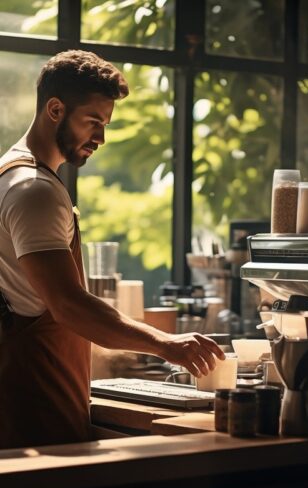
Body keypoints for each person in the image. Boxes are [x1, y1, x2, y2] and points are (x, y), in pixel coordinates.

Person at [0, 50, 224, 449]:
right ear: (55, 109)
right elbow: (69, 306)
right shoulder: (35, 190)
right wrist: (166, 344)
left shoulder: (8, 174)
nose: (100, 137)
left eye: (105, 124)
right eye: (93, 122)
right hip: (37, 402)